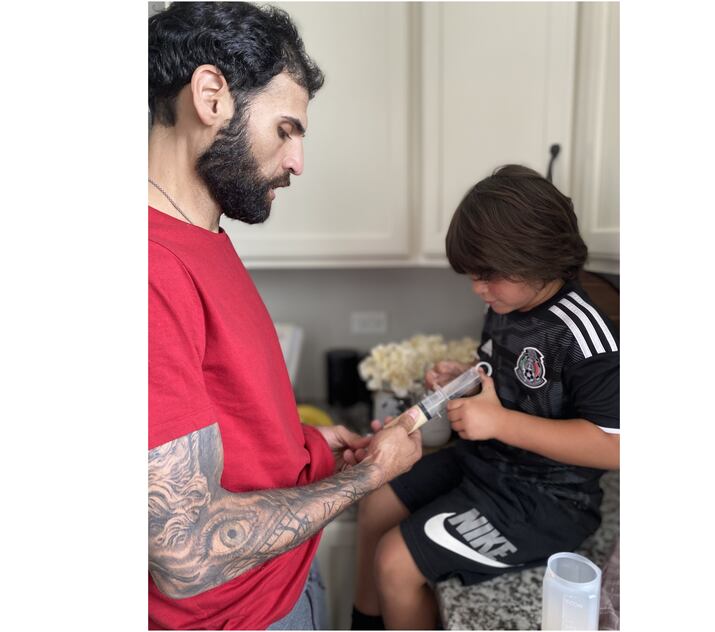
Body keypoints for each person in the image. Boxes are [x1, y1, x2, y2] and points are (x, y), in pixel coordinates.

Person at [147, 3, 422, 629]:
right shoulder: (150, 268)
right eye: (286, 129)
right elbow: (186, 553)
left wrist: (305, 447)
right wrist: (369, 477)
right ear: (211, 96)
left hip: (286, 579)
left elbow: (223, 424)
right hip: (242, 616)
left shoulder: (201, 235)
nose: (298, 161)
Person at [351, 164, 620, 630]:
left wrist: (499, 423)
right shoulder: (506, 304)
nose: (478, 288)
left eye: (488, 274)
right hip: (488, 464)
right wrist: (466, 380)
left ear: (536, 256)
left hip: (549, 502)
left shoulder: (584, 333)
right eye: (473, 275)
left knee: (396, 563)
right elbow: (507, 380)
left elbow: (614, 445)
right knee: (376, 502)